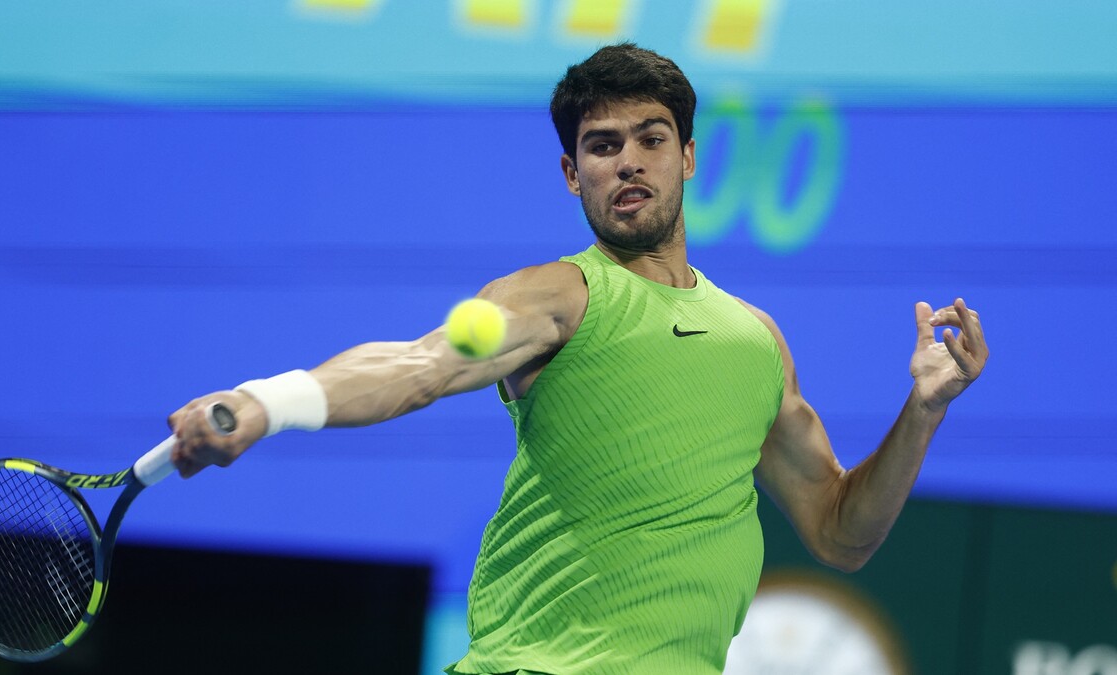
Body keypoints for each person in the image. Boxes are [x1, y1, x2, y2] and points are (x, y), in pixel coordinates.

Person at [167, 43, 989, 674]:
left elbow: (841, 532)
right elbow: (419, 366)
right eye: (602, 145)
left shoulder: (757, 339)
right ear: (572, 173)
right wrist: (268, 401)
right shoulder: (559, 296)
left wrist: (923, 410)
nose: (628, 160)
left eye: (651, 138)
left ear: (688, 156)